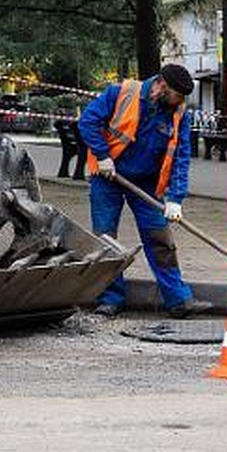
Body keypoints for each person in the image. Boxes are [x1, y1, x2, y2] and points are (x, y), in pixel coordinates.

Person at [78, 63, 212, 318]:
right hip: (108, 176)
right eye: (178, 95)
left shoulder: (178, 111)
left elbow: (181, 155)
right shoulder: (121, 93)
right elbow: (88, 122)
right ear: (162, 85)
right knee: (106, 238)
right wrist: (103, 156)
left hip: (147, 183)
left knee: (160, 239)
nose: (181, 101)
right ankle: (110, 299)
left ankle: (178, 300)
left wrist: (175, 199)